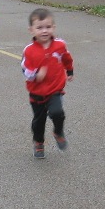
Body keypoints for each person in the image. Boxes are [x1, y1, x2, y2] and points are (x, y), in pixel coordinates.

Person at [21, 8, 74, 158]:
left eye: (48, 27)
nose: (44, 31)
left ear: (53, 27)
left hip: (55, 89)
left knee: (57, 113)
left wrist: (70, 71)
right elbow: (24, 69)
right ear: (31, 30)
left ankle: (58, 131)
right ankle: (38, 142)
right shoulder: (29, 51)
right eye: (39, 28)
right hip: (36, 93)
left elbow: (66, 58)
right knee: (39, 121)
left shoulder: (60, 45)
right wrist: (36, 75)